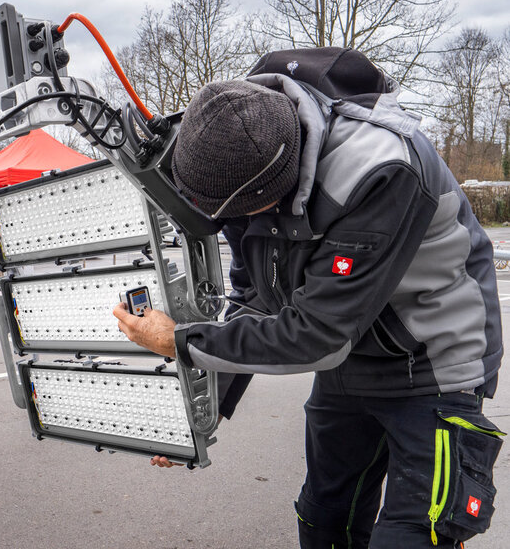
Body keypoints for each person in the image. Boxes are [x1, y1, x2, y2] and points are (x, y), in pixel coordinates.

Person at [113, 47, 504, 549]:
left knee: (415, 534)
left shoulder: (379, 167)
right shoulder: (235, 155)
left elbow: (318, 334)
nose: (236, 226)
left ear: (272, 189)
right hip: (350, 360)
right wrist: (196, 420)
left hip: (434, 364)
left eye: (242, 215)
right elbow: (255, 299)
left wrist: (181, 341)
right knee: (324, 520)